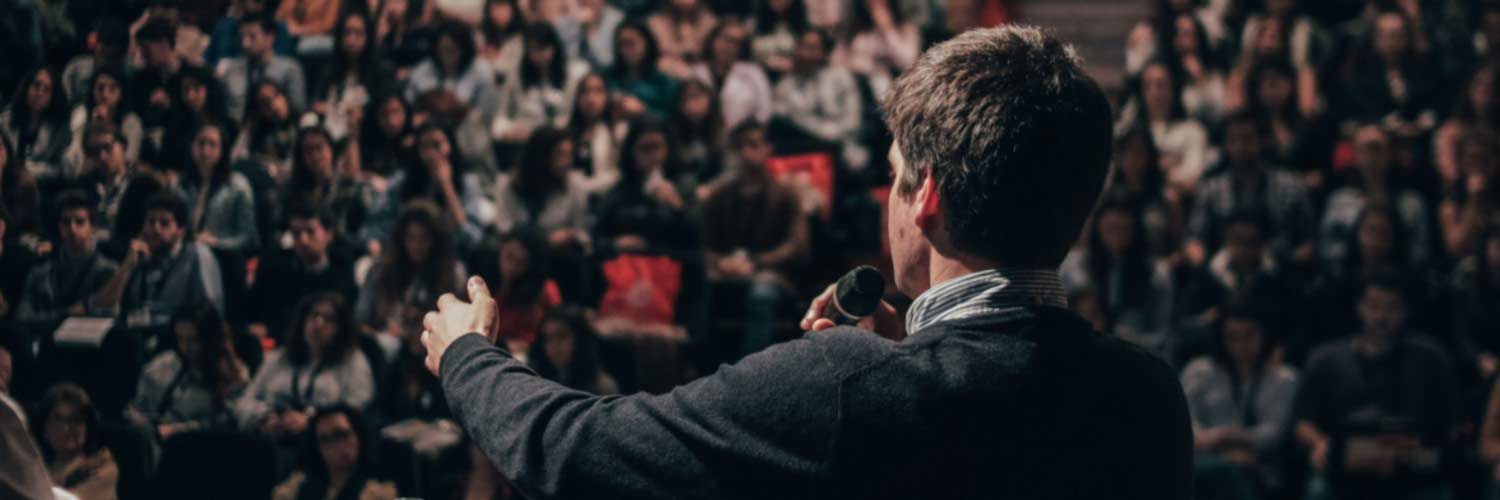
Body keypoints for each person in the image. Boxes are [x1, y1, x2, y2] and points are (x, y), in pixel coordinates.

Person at [418, 26, 1192, 499]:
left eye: (894, 173)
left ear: (926, 196)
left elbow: (576, 456)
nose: (886, 196)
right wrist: (909, 363)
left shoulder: (843, 388)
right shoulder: (1148, 396)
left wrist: (467, 357)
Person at [1293, 277, 1458, 500]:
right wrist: (1319, 443)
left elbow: (1451, 420)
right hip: (1348, 461)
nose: (1381, 317)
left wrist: (1424, 445)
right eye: (1374, 306)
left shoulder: (1429, 357)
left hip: (1412, 460)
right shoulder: (1326, 359)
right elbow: (1303, 421)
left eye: (1392, 307)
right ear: (1359, 307)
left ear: (1405, 311)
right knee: (1319, 490)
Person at [702, 121, 809, 358]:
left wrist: (755, 262)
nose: (745, 152)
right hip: (728, 270)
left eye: (752, 145)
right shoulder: (720, 195)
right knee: (703, 287)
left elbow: (797, 246)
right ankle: (702, 369)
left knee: (762, 292)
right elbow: (705, 245)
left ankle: (751, 373)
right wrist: (721, 263)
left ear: (767, 148)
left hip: (773, 273)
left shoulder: (786, 192)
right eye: (739, 147)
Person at [1181, 305, 1300, 500]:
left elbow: (1272, 434)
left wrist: (1228, 437)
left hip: (1258, 468)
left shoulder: (1283, 378)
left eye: (1249, 336)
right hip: (1201, 463)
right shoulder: (1200, 371)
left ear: (1264, 334)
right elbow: (1185, 425)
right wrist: (1221, 440)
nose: (1241, 345)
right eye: (1232, 337)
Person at [237, 293, 376, 438]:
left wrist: (312, 421)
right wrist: (264, 417)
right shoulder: (279, 357)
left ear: (341, 328)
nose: (318, 323)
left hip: (324, 443)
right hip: (272, 438)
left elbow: (357, 409)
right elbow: (245, 400)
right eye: (314, 315)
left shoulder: (352, 361)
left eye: (328, 319)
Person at [1186, 112, 1317, 266]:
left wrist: (1292, 264)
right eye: (1233, 140)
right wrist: (1204, 268)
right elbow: (1194, 238)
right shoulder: (1211, 189)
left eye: (1247, 139)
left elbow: (1309, 240)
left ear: (1262, 141)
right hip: (1223, 271)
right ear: (1226, 144)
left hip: (1280, 270)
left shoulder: (1290, 186)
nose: (1240, 146)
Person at [95, 191, 224, 331]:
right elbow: (104, 307)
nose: (155, 229)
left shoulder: (197, 255)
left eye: (164, 223)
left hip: (180, 339)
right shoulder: (139, 256)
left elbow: (211, 313)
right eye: (151, 222)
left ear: (181, 230)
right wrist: (127, 266)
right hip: (139, 336)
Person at [1059, 201, 1175, 356]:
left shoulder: (1157, 274)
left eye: (1124, 230)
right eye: (1110, 229)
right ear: (1098, 228)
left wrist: (1133, 342)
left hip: (1136, 355)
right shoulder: (1073, 269)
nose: (1117, 237)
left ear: (1136, 230)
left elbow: (1163, 333)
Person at [126, 305, 249, 440]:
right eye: (180, 339)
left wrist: (178, 430)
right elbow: (140, 404)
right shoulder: (164, 363)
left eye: (193, 340)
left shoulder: (231, 374)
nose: (185, 347)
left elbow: (225, 424)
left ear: (210, 339)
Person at [1319, 126, 1431, 268]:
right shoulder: (1338, 202)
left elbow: (1419, 256)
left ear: (1389, 154)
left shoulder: (1411, 204)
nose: (1370, 157)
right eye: (1364, 150)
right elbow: (1328, 253)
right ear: (1355, 156)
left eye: (1376, 149)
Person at [14, 191, 119, 335]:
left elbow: (109, 318)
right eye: (66, 222)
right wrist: (66, 313)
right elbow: (23, 318)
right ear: (59, 226)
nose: (72, 229)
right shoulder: (41, 272)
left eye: (80, 222)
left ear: (92, 226)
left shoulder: (108, 271)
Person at [357, 202, 466, 340]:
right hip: (385, 341)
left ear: (435, 241)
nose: (416, 246)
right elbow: (362, 319)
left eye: (423, 238)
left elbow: (454, 326)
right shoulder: (381, 271)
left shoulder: (452, 274)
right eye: (411, 237)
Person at [249, 205, 357, 342]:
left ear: (328, 234)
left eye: (310, 231)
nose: (303, 240)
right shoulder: (276, 267)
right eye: (296, 233)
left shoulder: (342, 268)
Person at [593, 119, 697, 253]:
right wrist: (615, 244)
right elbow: (597, 237)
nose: (652, 156)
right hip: (627, 265)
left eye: (656, 147)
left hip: (671, 263)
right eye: (644, 148)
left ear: (668, 148)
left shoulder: (684, 184)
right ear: (631, 152)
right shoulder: (621, 189)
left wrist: (677, 207)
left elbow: (698, 238)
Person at [772, 28, 867, 170]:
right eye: (802, 46)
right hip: (809, 153)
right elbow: (793, 125)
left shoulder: (841, 77)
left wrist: (833, 135)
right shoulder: (784, 88)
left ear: (824, 53)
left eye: (813, 48)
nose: (806, 54)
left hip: (848, 151)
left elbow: (853, 123)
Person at [491, 23, 591, 146]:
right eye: (533, 50)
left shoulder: (570, 76)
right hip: (520, 136)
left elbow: (564, 119)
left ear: (553, 47)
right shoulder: (516, 75)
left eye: (542, 49)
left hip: (552, 140)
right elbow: (502, 114)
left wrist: (535, 135)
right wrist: (508, 131)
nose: (538, 55)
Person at [272, 405, 397, 500]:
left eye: (341, 435)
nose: (334, 445)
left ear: (359, 436)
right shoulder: (296, 487)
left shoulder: (378, 492)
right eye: (325, 440)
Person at [178, 121, 260, 254]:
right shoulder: (181, 184)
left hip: (223, 255)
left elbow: (249, 239)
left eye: (212, 145)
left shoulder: (238, 185)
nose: (205, 151)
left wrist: (217, 243)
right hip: (186, 253)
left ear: (222, 150)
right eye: (201, 143)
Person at [216, 13, 308, 122]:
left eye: (252, 37)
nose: (245, 43)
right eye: (243, 37)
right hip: (235, 130)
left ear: (270, 38)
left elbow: (298, 111)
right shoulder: (231, 70)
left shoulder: (290, 69)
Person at [34, 383, 118, 500]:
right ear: (44, 428)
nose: (66, 428)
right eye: (58, 419)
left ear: (88, 426)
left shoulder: (102, 468)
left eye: (75, 419)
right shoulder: (34, 470)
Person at [406, 21, 502, 119]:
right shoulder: (423, 69)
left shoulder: (481, 70)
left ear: (465, 50)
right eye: (444, 49)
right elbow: (408, 105)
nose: (447, 56)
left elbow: (489, 111)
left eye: (453, 50)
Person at [691, 22, 774, 130]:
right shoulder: (696, 73)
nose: (730, 46)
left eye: (736, 43)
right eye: (726, 39)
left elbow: (764, 111)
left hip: (743, 138)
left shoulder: (754, 73)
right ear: (713, 39)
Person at [833, 0, 922, 98]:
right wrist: (867, 67)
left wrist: (887, 30)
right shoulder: (854, 31)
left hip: (897, 90)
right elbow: (836, 62)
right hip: (859, 91)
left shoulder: (906, 28)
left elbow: (908, 62)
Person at [0, 67, 73, 183]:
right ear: (27, 88)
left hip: (42, 185)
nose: (39, 93)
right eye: (36, 86)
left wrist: (28, 169)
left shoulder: (60, 128)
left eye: (46, 89)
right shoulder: (6, 119)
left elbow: (60, 169)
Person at [526, 306, 618, 394]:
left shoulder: (602, 388)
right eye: (548, 338)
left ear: (580, 339)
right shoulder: (536, 380)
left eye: (562, 336)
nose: (554, 345)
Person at [604, 20, 679, 119]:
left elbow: (672, 119)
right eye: (621, 44)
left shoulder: (663, 82)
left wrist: (643, 112)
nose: (625, 49)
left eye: (631, 43)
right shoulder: (608, 78)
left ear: (647, 43)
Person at [565, 72, 626, 194]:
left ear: (606, 96)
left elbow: (620, 173)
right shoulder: (564, 130)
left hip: (605, 195)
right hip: (569, 197)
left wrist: (588, 187)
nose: (590, 98)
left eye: (598, 91)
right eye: (585, 92)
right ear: (577, 97)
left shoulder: (619, 131)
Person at [647, 0, 718, 79]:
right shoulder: (655, 23)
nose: (684, 3)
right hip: (665, 73)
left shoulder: (710, 23)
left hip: (700, 74)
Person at [554, 0, 624, 70]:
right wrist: (578, 27)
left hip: (606, 72)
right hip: (575, 73)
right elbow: (566, 58)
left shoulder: (616, 21)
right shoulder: (566, 22)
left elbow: (606, 60)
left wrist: (591, 28)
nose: (585, 1)